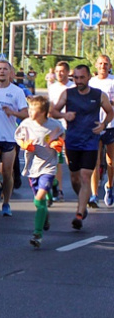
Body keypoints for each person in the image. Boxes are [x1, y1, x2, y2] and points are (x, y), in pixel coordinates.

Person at [50, 65, 113, 229]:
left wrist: (104, 124)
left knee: (85, 177)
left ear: (88, 78)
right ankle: (82, 200)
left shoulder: (98, 95)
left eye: (81, 78)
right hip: (72, 141)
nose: (78, 81)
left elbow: (110, 112)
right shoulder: (68, 94)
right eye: (75, 78)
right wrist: (64, 115)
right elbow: (53, 111)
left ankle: (79, 213)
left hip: (91, 141)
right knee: (75, 178)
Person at [15, 96, 64, 248]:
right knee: (40, 203)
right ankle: (45, 216)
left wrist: (59, 142)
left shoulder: (54, 125)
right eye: (29, 109)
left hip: (49, 167)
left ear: (43, 112)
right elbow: (18, 137)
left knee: (39, 198)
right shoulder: (26, 124)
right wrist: (24, 144)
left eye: (33, 110)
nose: (29, 112)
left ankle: (37, 234)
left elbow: (62, 134)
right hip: (32, 167)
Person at [0, 60, 29, 216]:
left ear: (11, 73)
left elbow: (26, 113)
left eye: (5, 69)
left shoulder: (17, 92)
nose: (2, 71)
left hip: (10, 137)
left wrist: (13, 112)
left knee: (7, 172)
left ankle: (6, 203)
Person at [88, 55, 114, 207]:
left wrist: (107, 102)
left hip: (110, 125)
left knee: (111, 161)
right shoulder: (91, 82)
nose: (103, 66)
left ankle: (110, 186)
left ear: (110, 66)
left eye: (106, 64)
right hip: (94, 125)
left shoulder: (112, 81)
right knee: (94, 161)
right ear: (96, 65)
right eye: (100, 63)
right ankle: (94, 194)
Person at [47, 61, 72, 201]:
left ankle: (79, 183)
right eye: (57, 71)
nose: (59, 74)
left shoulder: (73, 87)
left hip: (71, 127)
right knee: (57, 159)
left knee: (71, 159)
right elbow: (50, 108)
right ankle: (59, 189)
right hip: (56, 128)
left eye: (62, 71)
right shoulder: (52, 87)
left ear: (68, 72)